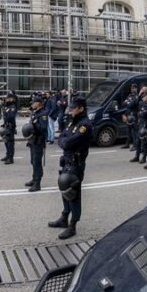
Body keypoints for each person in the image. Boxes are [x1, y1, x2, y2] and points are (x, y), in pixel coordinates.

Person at [48, 96, 93, 239]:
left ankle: (73, 225)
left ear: (81, 108)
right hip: (67, 162)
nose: (71, 110)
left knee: (74, 196)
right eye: (71, 107)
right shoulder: (72, 123)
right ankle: (64, 218)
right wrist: (64, 141)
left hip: (76, 165)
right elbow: (62, 138)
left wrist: (64, 142)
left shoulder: (84, 125)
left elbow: (67, 143)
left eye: (73, 108)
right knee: (64, 190)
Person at [25, 96, 49, 191]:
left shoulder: (43, 114)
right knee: (33, 161)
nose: (32, 104)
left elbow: (43, 128)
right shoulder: (35, 112)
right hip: (33, 140)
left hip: (38, 141)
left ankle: (37, 183)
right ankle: (34, 178)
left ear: (38, 103)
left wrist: (33, 125)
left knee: (36, 162)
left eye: (33, 103)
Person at [131, 91, 147, 164]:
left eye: (146, 95)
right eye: (143, 95)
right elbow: (138, 111)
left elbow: (146, 113)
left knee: (145, 141)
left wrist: (141, 113)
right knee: (138, 141)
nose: (144, 96)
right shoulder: (141, 103)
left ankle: (144, 157)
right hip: (140, 124)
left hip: (146, 125)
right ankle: (137, 156)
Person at [0, 92, 18, 164]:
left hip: (10, 127)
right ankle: (7, 155)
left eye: (8, 98)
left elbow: (11, 117)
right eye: (7, 98)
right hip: (6, 126)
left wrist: (6, 113)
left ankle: (10, 158)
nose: (7, 100)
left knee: (10, 143)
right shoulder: (8, 106)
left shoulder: (13, 107)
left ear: (12, 99)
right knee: (6, 142)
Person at [120, 84, 139, 150]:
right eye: (131, 88)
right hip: (128, 114)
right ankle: (127, 144)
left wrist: (127, 102)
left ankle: (135, 145)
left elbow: (132, 104)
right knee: (128, 130)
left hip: (134, 116)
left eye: (134, 88)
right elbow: (123, 104)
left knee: (134, 131)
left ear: (136, 89)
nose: (132, 89)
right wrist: (127, 103)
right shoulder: (129, 95)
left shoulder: (137, 96)